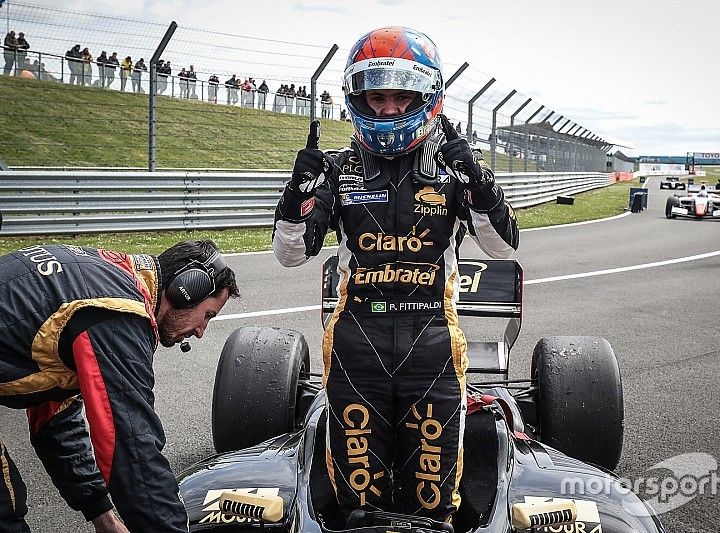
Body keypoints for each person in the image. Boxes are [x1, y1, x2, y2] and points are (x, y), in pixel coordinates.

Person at [272, 26, 519, 524]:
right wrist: (296, 195)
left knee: (432, 499)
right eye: (376, 97)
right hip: (355, 341)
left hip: (432, 342)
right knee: (359, 497)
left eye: (400, 97)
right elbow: (292, 255)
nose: (386, 109)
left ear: (427, 99)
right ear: (357, 98)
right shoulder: (339, 170)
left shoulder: (453, 170)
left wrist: (480, 184)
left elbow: (500, 248)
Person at [0, 240, 240, 532]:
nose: (201, 332)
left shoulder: (108, 282)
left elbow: (54, 417)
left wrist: (102, 515)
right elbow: (132, 450)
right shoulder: (118, 312)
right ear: (186, 288)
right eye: (207, 315)